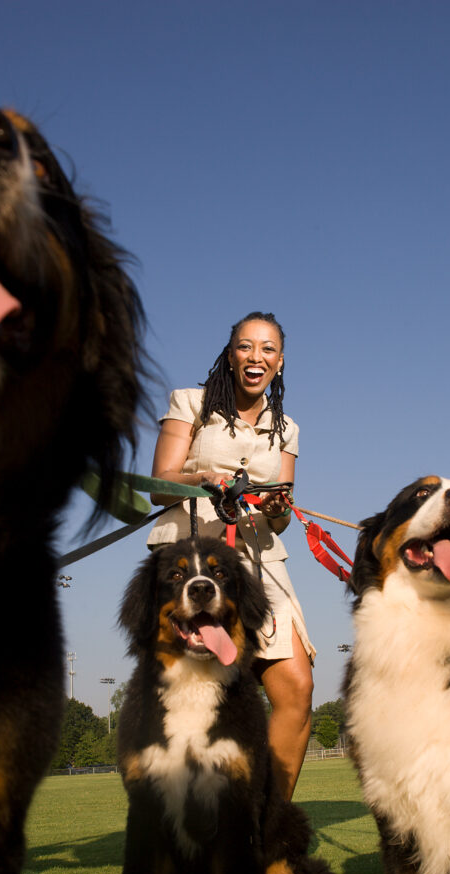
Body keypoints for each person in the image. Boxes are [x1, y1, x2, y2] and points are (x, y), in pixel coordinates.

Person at [147, 311, 314, 800]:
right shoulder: (191, 403)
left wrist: (279, 506)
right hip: (190, 556)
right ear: (231, 353)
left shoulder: (287, 430)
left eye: (267, 349)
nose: (255, 357)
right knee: (193, 699)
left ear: (279, 363)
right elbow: (160, 483)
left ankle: (269, 822)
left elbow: (281, 518)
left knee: (296, 688)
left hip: (261, 563)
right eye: (245, 346)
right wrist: (203, 479)